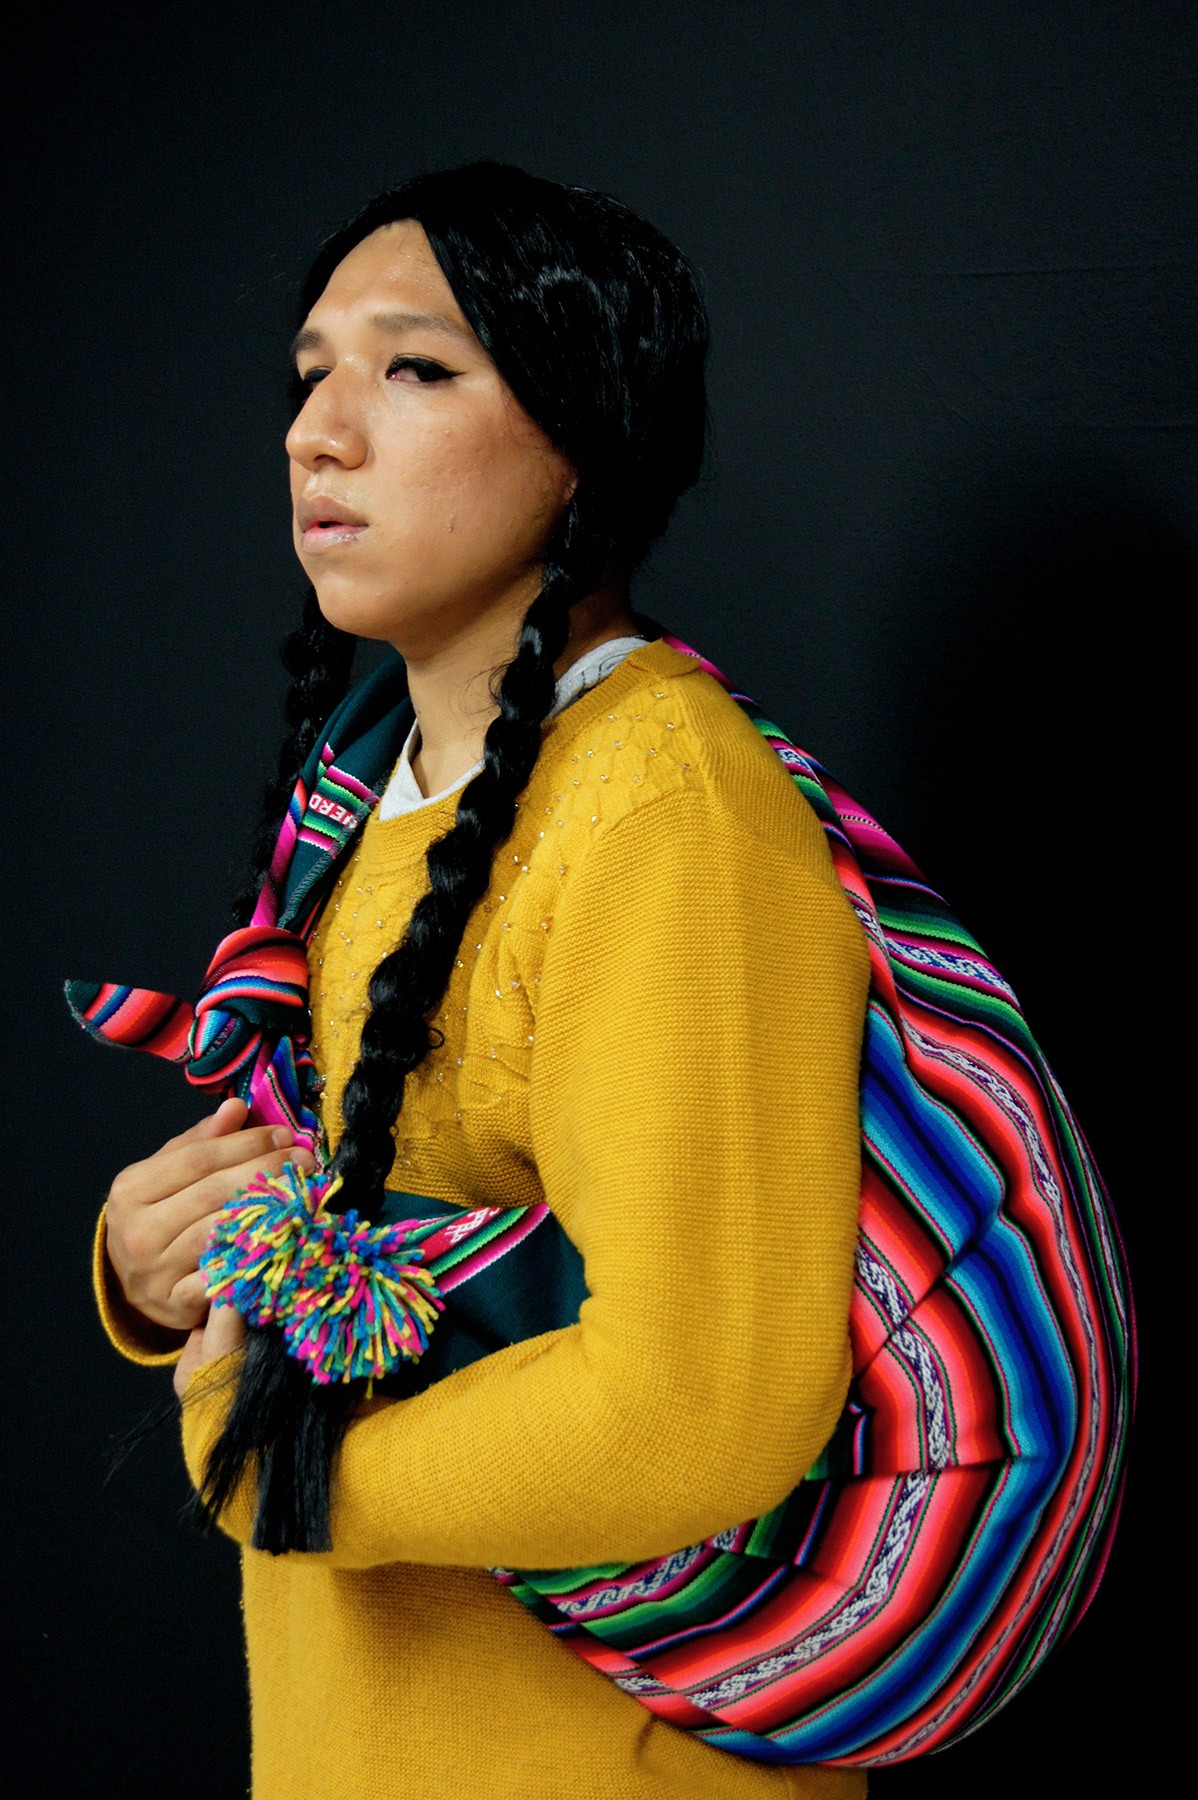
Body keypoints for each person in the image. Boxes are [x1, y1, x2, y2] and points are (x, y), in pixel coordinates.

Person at [89, 163, 871, 1799]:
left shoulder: (661, 808)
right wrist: (162, 1264)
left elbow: (694, 1407)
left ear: (583, 425)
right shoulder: (365, 787)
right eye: (312, 374)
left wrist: (284, 1474)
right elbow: (360, 1246)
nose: (319, 431)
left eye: (415, 367)